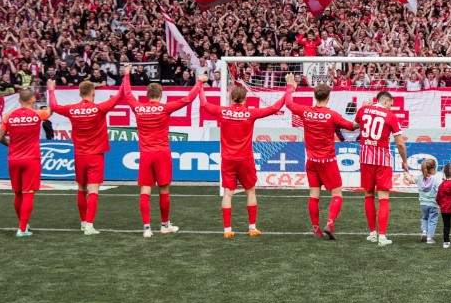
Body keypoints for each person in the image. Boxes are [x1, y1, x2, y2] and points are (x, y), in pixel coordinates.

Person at [199, 76, 292, 238]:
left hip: (228, 159)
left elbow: (204, 104)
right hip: (245, 159)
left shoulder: (223, 111)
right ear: (245, 99)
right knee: (251, 192)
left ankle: (227, 230)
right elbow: (275, 108)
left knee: (227, 194)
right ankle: (252, 228)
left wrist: (200, 84)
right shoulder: (250, 113)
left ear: (231, 98)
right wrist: (289, 88)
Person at [48, 74, 132, 235]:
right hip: (95, 155)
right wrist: (126, 76)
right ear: (93, 93)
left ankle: (83, 223)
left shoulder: (72, 109)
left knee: (81, 188)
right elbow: (120, 95)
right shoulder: (99, 108)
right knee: (93, 190)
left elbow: (54, 106)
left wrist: (51, 90)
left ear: (80, 94)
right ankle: (89, 226)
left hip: (80, 155)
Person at [124, 68, 202, 238]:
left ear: (147, 95)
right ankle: (164, 225)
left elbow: (128, 94)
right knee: (164, 189)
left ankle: (146, 228)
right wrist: (199, 82)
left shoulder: (138, 108)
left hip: (146, 154)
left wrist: (127, 74)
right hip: (162, 153)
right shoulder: (164, 108)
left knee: (145, 190)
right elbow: (188, 99)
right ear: (161, 95)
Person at [283, 78, 357, 239]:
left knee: (314, 195)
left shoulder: (306, 111)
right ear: (328, 97)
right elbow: (352, 126)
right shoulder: (332, 115)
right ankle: (330, 223)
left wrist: (290, 86)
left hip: (312, 161)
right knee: (337, 194)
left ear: (314, 96)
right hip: (328, 161)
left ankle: (316, 229)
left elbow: (288, 103)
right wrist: (364, 111)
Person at [356, 90, 409, 247]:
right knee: (383, 197)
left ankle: (372, 233)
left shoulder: (363, 110)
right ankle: (382, 236)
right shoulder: (390, 116)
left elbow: (354, 125)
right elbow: (400, 143)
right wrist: (404, 161)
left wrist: (363, 108)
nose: (391, 107)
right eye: (390, 105)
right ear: (386, 101)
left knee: (368, 194)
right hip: (382, 160)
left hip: (365, 158)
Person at [0, 89, 51, 236]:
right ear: (33, 100)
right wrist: (51, 91)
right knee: (28, 192)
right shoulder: (38, 114)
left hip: (14, 158)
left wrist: (10, 145)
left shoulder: (9, 116)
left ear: (19, 100)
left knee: (18, 193)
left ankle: (23, 224)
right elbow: (51, 110)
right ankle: (22, 229)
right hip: (31, 158)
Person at [417, 157, 440, 245]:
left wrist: (406, 173)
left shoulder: (419, 178)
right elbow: (439, 192)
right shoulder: (436, 179)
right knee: (432, 220)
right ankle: (430, 237)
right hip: (434, 204)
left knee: (424, 218)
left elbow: (411, 180)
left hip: (423, 204)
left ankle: (424, 232)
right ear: (433, 169)